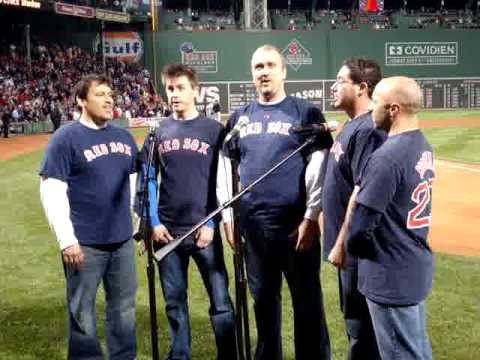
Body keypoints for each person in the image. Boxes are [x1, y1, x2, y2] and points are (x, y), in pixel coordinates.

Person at [223, 45, 332, 360]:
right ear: (252, 73)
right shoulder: (240, 118)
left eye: (271, 65)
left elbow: (319, 168)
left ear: (284, 71)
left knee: (308, 303)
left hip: (296, 229)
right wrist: (230, 219)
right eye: (258, 66)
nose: (264, 72)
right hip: (254, 229)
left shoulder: (305, 112)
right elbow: (226, 169)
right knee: (263, 304)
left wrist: (311, 217)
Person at [39, 74, 138, 359]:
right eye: (101, 94)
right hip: (84, 245)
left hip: (121, 241)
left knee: (124, 310)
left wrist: (137, 225)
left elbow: (135, 186)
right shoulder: (65, 138)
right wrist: (66, 240)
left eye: (111, 94)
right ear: (82, 100)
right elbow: (52, 190)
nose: (109, 99)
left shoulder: (124, 136)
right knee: (82, 311)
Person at [142, 64, 236, 360]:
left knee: (221, 302)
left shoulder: (214, 130)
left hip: (204, 230)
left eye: (180, 87)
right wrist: (154, 222)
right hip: (167, 232)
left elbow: (223, 181)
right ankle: (179, 355)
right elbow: (148, 180)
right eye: (170, 88)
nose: (174, 94)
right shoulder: (158, 131)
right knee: (174, 302)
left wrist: (213, 221)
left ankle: (228, 355)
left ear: (195, 90)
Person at [344, 76, 435, 360]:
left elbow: (359, 229)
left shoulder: (387, 157)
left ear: (393, 109)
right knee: (417, 351)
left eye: (376, 102)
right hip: (413, 264)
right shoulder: (421, 144)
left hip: (390, 274)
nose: (371, 108)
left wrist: (354, 250)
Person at [322, 58, 385, 359]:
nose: (333, 86)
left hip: (356, 251)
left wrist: (340, 244)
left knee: (362, 330)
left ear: (362, 88)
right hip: (349, 249)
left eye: (340, 80)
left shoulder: (369, 130)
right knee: (355, 324)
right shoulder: (353, 126)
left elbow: (361, 193)